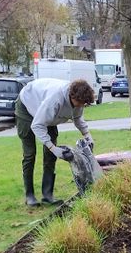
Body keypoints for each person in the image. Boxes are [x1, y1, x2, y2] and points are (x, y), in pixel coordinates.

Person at [15, 78, 95, 206]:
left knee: (50, 156)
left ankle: (47, 195)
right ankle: (29, 195)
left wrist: (87, 135)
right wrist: (54, 148)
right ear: (72, 96)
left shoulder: (78, 100)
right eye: (80, 103)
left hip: (48, 116)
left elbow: (78, 117)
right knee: (30, 154)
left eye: (84, 104)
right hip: (27, 107)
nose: (81, 105)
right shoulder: (55, 100)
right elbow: (37, 125)